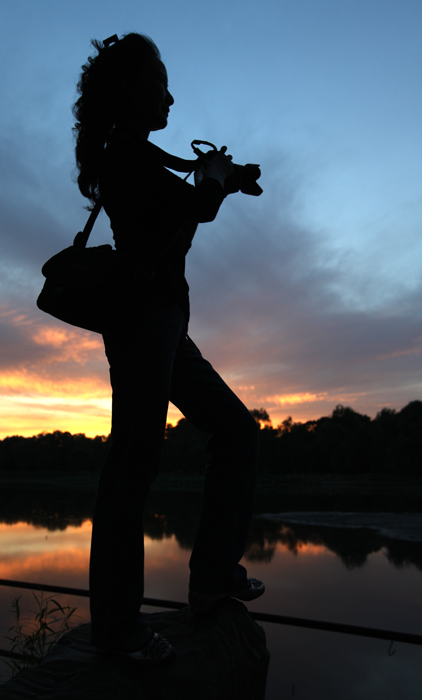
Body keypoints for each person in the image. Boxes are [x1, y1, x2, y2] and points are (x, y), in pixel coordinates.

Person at [72, 32, 264, 665]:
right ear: (129, 87)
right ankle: (118, 628)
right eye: (159, 81)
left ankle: (211, 579)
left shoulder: (136, 155)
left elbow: (186, 205)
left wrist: (223, 179)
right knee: (133, 465)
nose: (170, 95)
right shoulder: (121, 155)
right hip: (141, 321)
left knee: (237, 432)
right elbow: (191, 209)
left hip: (165, 325)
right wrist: (214, 182)